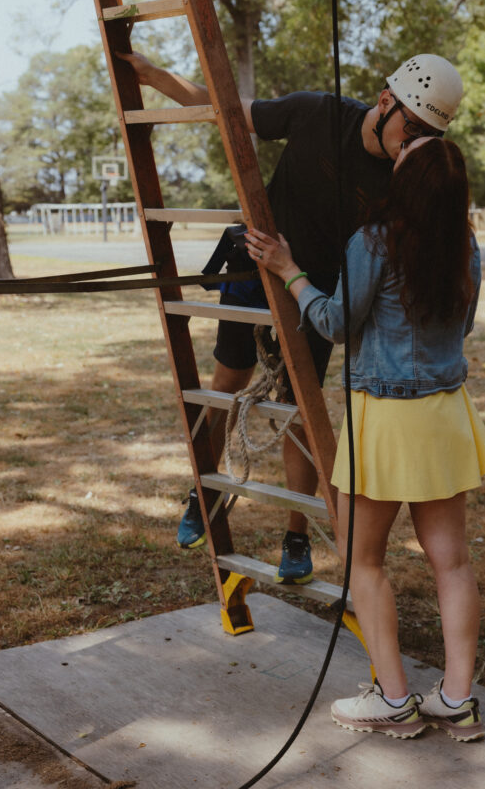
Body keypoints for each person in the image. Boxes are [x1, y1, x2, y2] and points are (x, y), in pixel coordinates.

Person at [117, 49, 464, 584]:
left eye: (427, 138)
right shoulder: (318, 113)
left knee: (296, 411)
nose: (414, 145)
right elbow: (220, 107)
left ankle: (296, 537)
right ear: (385, 100)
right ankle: (201, 492)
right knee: (226, 385)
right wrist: (152, 75)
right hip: (253, 271)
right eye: (411, 128)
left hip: (316, 296)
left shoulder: (407, 177)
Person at [246, 135, 485, 740]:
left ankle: (393, 699)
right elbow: (463, 323)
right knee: (453, 562)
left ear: (403, 185)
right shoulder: (464, 244)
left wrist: (290, 272)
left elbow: (334, 323)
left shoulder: (372, 244)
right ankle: (458, 700)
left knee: (364, 560)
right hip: (444, 416)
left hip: (386, 420)